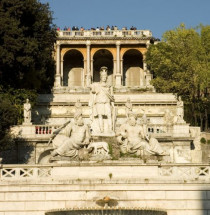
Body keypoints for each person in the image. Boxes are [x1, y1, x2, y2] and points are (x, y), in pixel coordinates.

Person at [89, 66, 115, 134]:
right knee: (100, 116)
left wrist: (113, 104)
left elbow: (112, 96)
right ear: (101, 77)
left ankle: (110, 129)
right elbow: (91, 88)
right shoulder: (97, 85)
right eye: (103, 77)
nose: (104, 78)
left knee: (109, 115)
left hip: (107, 102)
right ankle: (101, 130)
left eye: (105, 77)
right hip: (99, 102)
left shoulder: (109, 86)